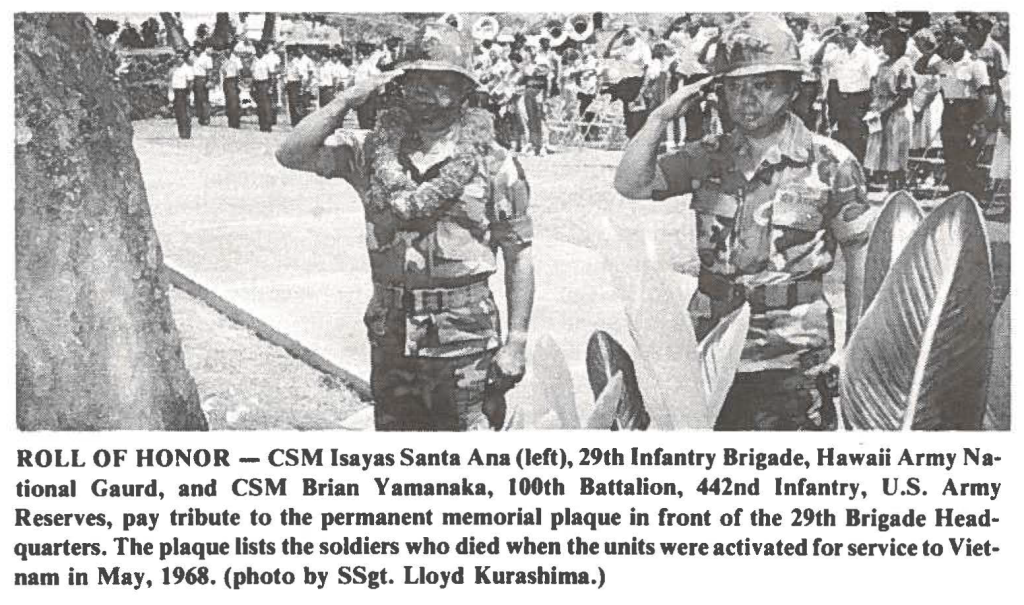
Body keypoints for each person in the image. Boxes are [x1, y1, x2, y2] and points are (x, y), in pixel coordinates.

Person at [614, 14, 871, 431]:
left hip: (793, 353)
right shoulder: (707, 156)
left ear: (791, 89)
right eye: (735, 86)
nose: (747, 99)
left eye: (763, 85)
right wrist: (659, 119)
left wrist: (854, 343)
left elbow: (861, 257)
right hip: (712, 347)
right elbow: (631, 185)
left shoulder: (831, 163)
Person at [275, 22, 535, 431]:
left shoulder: (494, 162)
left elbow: (518, 254)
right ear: (399, 86)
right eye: (417, 82)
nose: (430, 96)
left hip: (466, 339)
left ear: (465, 91)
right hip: (392, 334)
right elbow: (291, 153)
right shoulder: (370, 151)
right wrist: (346, 99)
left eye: (444, 84)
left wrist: (517, 341)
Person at [915, 26, 996, 200]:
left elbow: (986, 95)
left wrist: (982, 121)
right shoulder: (944, 63)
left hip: (968, 112)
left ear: (964, 41)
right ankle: (954, 194)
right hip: (950, 112)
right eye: (947, 39)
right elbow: (919, 68)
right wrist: (933, 51)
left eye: (954, 39)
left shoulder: (975, 64)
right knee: (951, 155)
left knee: (967, 157)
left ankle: (973, 196)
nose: (950, 43)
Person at [813, 22, 878, 162]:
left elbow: (874, 80)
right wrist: (828, 40)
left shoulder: (867, 54)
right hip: (842, 100)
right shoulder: (839, 54)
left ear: (859, 35)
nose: (847, 38)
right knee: (843, 135)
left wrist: (873, 104)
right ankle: (848, 169)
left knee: (858, 135)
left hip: (859, 99)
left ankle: (860, 168)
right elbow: (817, 61)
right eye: (844, 35)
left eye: (851, 34)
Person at [864, 28, 915, 191]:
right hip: (880, 109)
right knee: (881, 148)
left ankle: (899, 184)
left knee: (896, 148)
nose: (884, 47)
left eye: (887, 44)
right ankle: (887, 183)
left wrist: (886, 112)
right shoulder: (882, 65)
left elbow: (905, 94)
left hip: (896, 111)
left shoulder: (904, 64)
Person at [787, 14, 823, 131]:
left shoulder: (813, 44)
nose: (791, 30)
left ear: (802, 26)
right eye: (790, 27)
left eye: (794, 27)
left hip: (808, 86)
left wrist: (820, 93)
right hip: (791, 85)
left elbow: (821, 69)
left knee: (804, 116)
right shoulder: (788, 42)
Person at [169, 52, 194, 139]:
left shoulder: (187, 69)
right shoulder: (174, 69)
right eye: (177, 57)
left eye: (181, 57)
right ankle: (181, 132)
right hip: (176, 92)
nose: (179, 59)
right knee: (178, 113)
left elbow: (190, 83)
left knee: (185, 113)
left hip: (183, 92)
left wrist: (188, 93)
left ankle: (186, 133)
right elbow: (171, 82)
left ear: (184, 59)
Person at [252, 43, 274, 133]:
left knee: (266, 105)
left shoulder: (267, 60)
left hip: (265, 83)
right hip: (257, 84)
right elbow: (252, 74)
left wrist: (271, 87)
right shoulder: (254, 60)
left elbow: (271, 74)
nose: (258, 52)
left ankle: (268, 125)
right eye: (256, 50)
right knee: (260, 105)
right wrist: (253, 86)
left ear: (262, 50)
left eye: (259, 50)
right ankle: (262, 124)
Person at [285, 46, 309, 126]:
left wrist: (302, 87)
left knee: (296, 104)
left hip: (296, 84)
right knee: (291, 104)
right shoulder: (289, 63)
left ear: (294, 55)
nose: (289, 56)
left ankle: (297, 122)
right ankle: (293, 122)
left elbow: (302, 75)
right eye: (288, 54)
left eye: (291, 54)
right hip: (290, 84)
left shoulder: (298, 63)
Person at [221, 45, 243, 129]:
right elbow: (222, 71)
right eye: (225, 49)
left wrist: (239, 83)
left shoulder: (236, 59)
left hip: (233, 80)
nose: (226, 50)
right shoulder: (223, 60)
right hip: (226, 81)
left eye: (228, 49)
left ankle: (235, 122)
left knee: (234, 102)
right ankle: (230, 121)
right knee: (228, 102)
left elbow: (240, 72)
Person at [191, 44, 213, 126]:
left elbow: (209, 70)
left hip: (202, 79)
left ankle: (206, 118)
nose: (197, 49)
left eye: (198, 47)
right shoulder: (193, 57)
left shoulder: (207, 57)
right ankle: (200, 117)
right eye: (195, 47)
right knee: (197, 99)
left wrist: (209, 80)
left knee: (204, 99)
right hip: (194, 78)